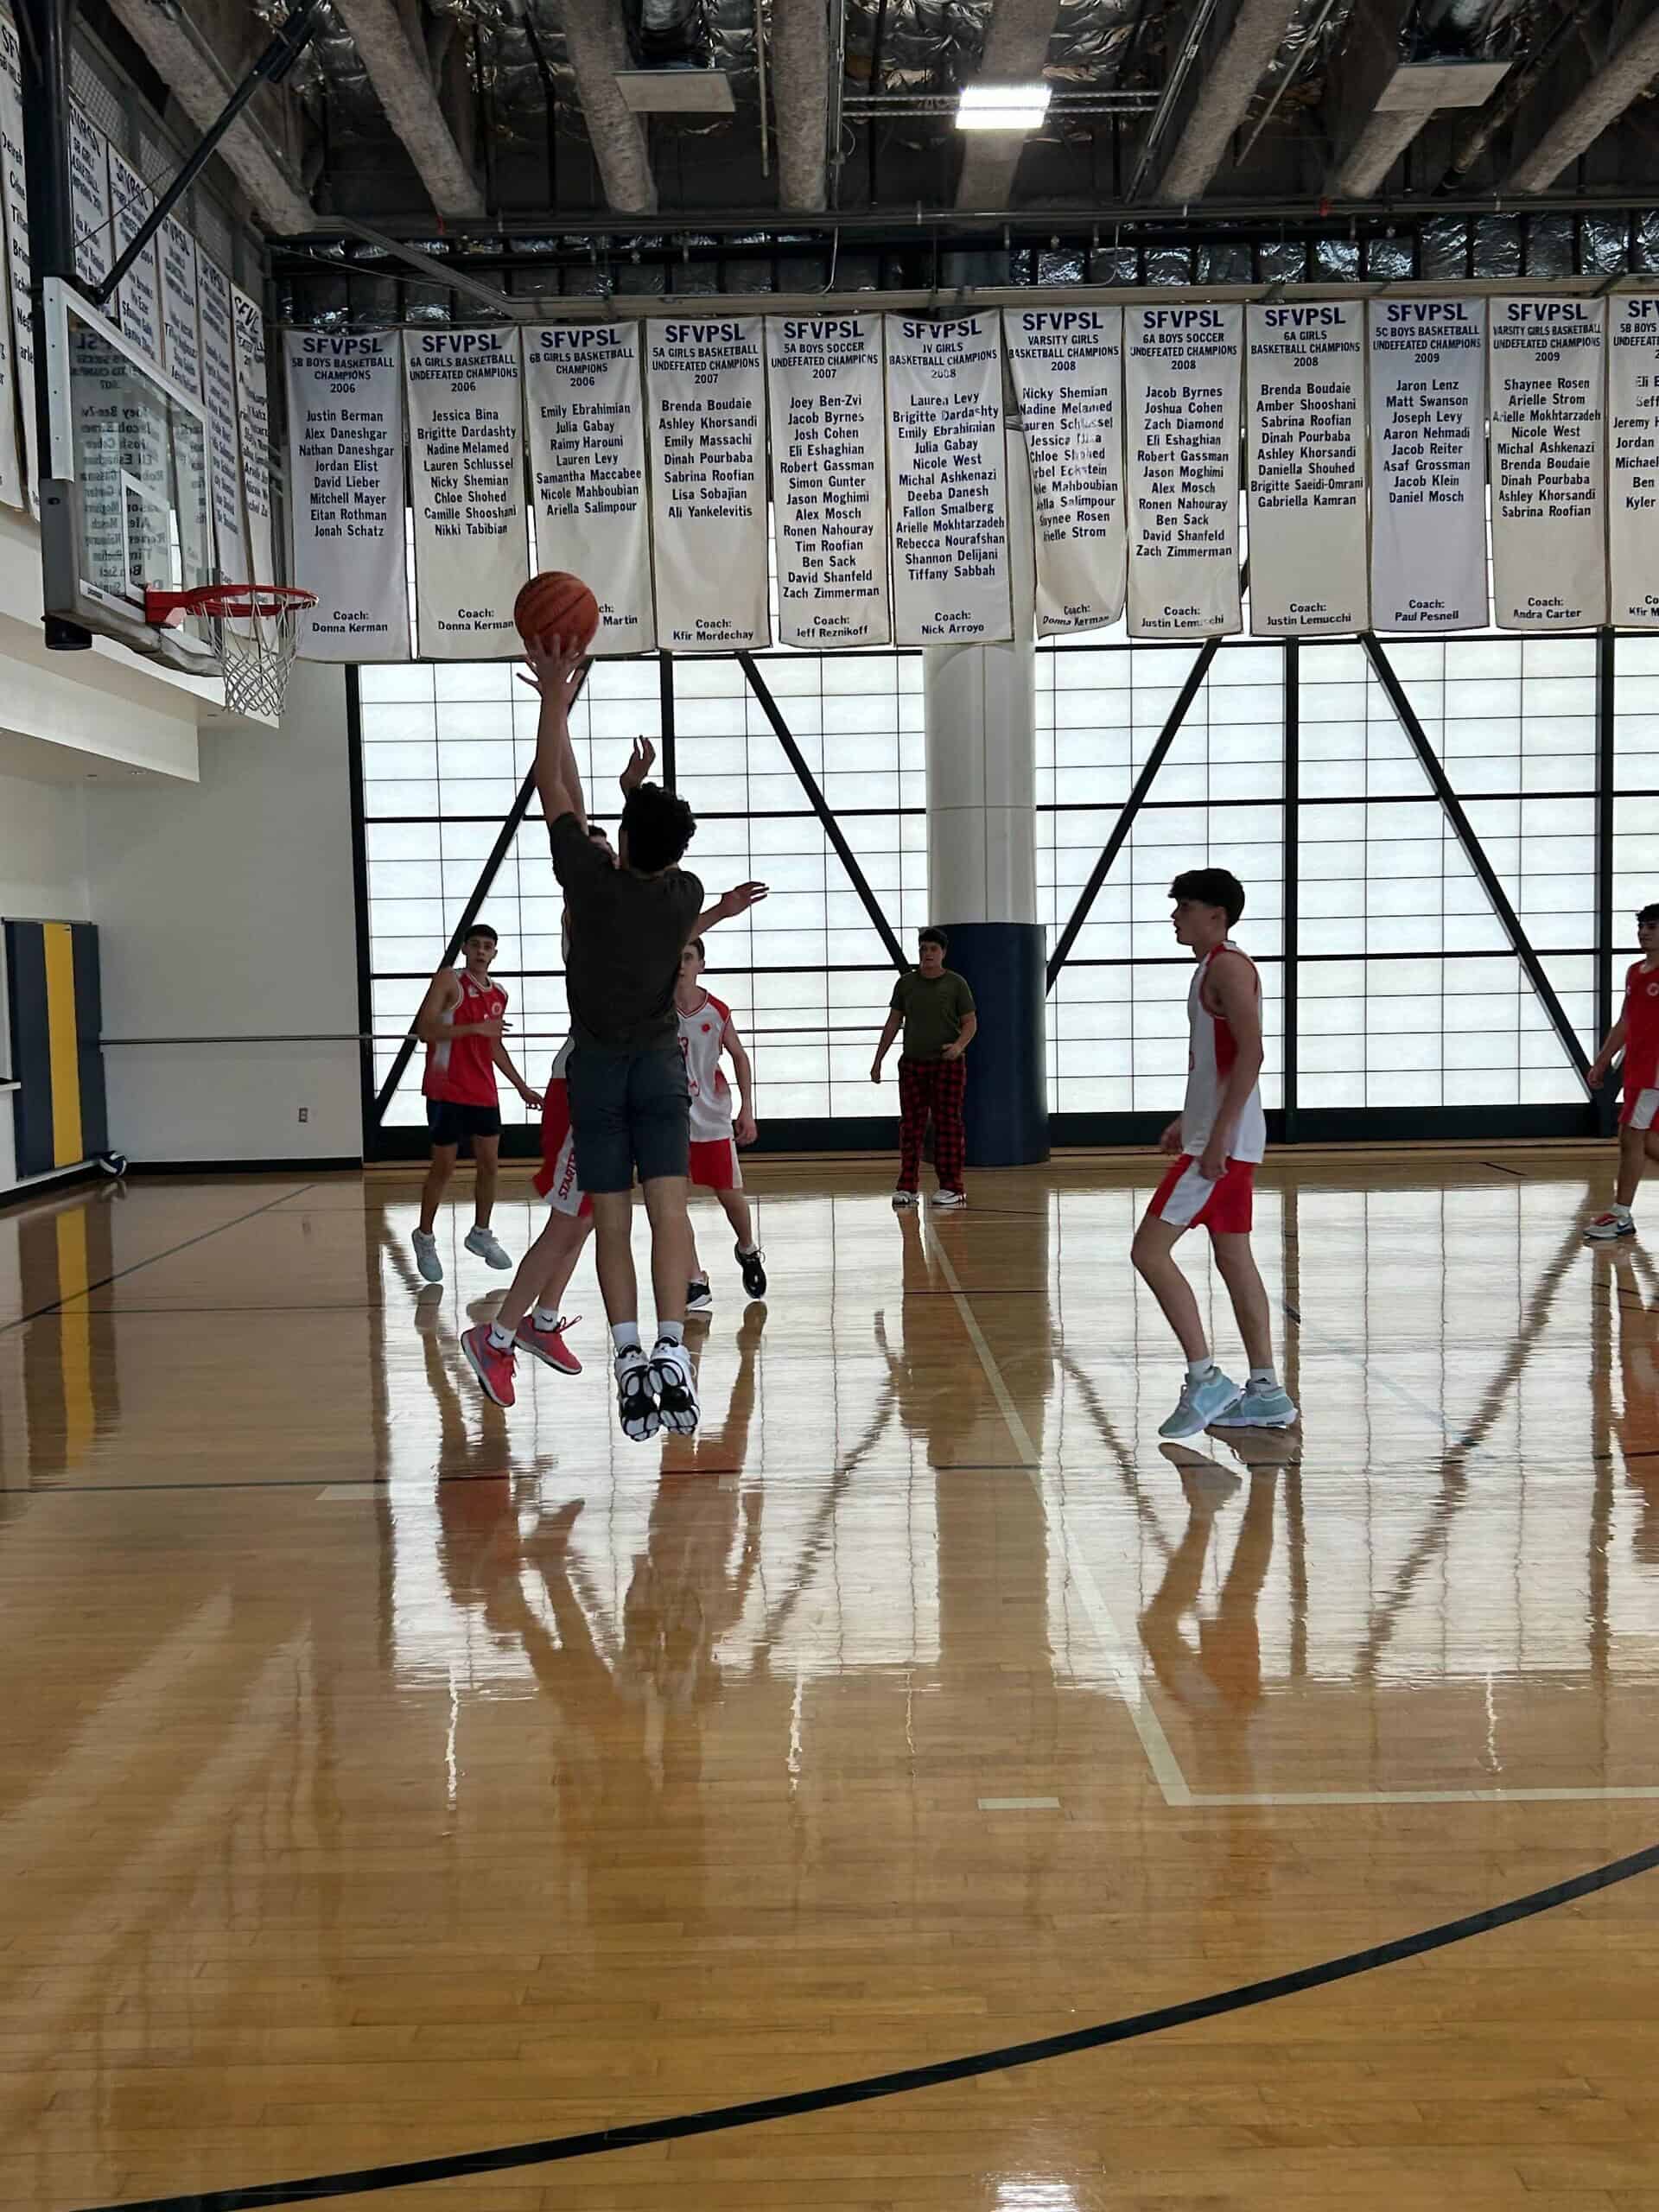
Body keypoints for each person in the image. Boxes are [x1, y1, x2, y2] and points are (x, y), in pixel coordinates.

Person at [483, 639, 763, 1441]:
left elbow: (554, 786)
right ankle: (672, 1350)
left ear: (621, 841)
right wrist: (639, 793)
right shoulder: (684, 893)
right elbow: (649, 836)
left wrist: (553, 696)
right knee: (669, 1214)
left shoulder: (587, 888)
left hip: (599, 1071)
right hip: (660, 1073)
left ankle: (627, 1349)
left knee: (609, 1220)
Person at [1129, 868, 1298, 1440]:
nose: (1174, 916)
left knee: (1148, 1253)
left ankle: (1205, 1377)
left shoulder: (1227, 965)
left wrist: (1217, 1135)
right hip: (1224, 1137)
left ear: (1216, 916)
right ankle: (1267, 1391)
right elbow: (1219, 1061)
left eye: (1184, 907)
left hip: (1222, 1146)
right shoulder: (1212, 967)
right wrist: (1192, 1118)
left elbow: (1252, 1053)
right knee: (1234, 1259)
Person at [410, 922, 543, 1284]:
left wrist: (521, 1087)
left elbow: (494, 1046)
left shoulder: (499, 993)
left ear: (495, 953)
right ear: (466, 949)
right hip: (445, 1088)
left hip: (482, 1090)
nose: (482, 951)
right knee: (444, 1167)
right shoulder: (448, 981)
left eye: (488, 946)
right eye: (476, 945)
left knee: (490, 1165)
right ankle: (424, 1236)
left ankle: (480, 1233)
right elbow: (424, 1030)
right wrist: (473, 1029)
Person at [677, 938, 766, 1314]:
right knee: (672, 1204)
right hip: (670, 1119)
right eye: (675, 957)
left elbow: (740, 1058)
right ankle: (695, 1279)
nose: (680, 964)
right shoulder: (653, 1010)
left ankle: (747, 1248)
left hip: (712, 1117)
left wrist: (747, 1109)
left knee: (730, 1196)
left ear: (701, 964)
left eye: (687, 957)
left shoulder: (716, 1011)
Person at [870, 925, 977, 1210]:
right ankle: (907, 1186)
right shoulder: (906, 984)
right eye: (923, 949)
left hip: (946, 1065)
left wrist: (958, 1047)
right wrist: (878, 1059)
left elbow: (970, 1022)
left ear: (943, 953)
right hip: (913, 1065)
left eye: (932, 949)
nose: (927, 954)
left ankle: (952, 1187)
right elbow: (893, 1022)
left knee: (947, 1125)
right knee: (911, 1126)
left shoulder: (956, 984)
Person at [1585, 903, 1659, 1242]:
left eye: (1653, 927)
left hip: (1655, 1072)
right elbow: (1625, 1022)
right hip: (1637, 1068)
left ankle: (1621, 1214)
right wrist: (1602, 1061)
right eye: (1642, 926)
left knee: (1630, 1134)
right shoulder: (1634, 971)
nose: (1644, 932)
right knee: (1647, 1140)